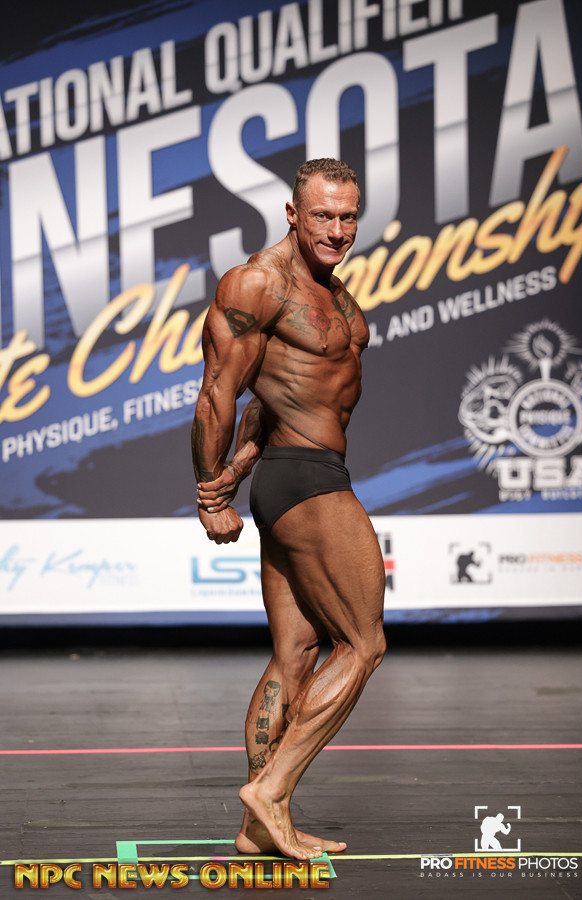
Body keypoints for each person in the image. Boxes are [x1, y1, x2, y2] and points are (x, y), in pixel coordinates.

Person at [191, 158, 386, 860]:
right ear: (293, 215)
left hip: (286, 473)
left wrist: (240, 470)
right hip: (308, 480)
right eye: (323, 215)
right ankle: (271, 790)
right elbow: (220, 390)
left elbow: (267, 406)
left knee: (296, 654)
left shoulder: (335, 295)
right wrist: (210, 491)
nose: (337, 229)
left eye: (347, 216)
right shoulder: (257, 283)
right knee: (364, 644)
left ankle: (256, 828)